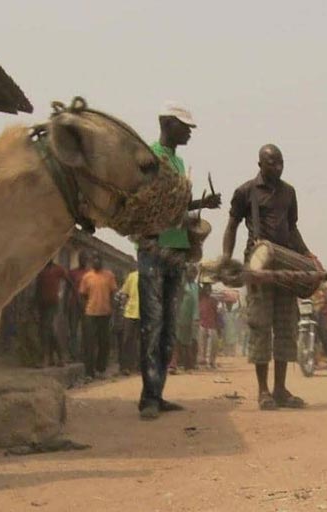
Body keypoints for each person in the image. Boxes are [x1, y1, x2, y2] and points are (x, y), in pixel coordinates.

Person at [136, 102, 221, 420]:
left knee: (169, 327)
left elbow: (177, 207)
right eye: (184, 126)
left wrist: (203, 204)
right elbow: (145, 201)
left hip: (175, 247)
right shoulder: (149, 157)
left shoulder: (179, 161)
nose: (189, 132)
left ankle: (157, 393)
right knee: (152, 325)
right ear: (168, 124)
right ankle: (148, 398)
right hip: (153, 248)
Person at [220, 143, 314, 410]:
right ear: (260, 164)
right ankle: (263, 391)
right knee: (261, 327)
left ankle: (281, 389)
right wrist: (227, 258)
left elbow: (292, 228)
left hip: (285, 266)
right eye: (272, 163)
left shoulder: (289, 192)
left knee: (285, 327)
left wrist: (307, 255)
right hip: (258, 265)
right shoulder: (245, 192)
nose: (278, 167)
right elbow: (232, 226)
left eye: (281, 162)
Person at [79, 254, 118, 380]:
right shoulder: (87, 277)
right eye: (94, 259)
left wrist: (112, 310)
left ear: (102, 262)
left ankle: (101, 369)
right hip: (90, 314)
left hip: (105, 314)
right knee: (89, 344)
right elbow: (82, 295)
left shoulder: (109, 276)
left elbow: (113, 293)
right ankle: (89, 373)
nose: (96, 261)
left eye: (98, 259)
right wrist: (85, 310)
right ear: (91, 262)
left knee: (104, 343)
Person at [35, 260, 71, 367]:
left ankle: (46, 358)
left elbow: (69, 282)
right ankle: (58, 358)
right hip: (42, 303)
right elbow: (38, 287)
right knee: (46, 330)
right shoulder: (41, 269)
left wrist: (65, 296)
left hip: (53, 303)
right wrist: (34, 305)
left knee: (47, 328)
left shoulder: (58, 269)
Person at [68, 252, 90, 361]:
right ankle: (73, 355)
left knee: (86, 330)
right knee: (73, 330)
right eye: (81, 258)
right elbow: (68, 289)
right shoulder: (72, 273)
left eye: (85, 258)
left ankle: (84, 354)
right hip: (74, 304)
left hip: (87, 305)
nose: (83, 260)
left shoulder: (90, 274)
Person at [119, 269, 140, 375]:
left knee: (143, 341)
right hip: (130, 313)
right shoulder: (132, 276)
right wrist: (122, 309)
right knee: (127, 339)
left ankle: (139, 366)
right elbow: (124, 293)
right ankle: (125, 366)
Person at [198, 281, 220, 369]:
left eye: (209, 289)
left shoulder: (214, 300)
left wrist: (218, 326)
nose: (207, 291)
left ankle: (211, 362)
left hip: (212, 325)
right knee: (202, 345)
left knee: (212, 346)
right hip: (202, 324)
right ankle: (203, 362)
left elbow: (216, 314)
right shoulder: (200, 299)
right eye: (206, 289)